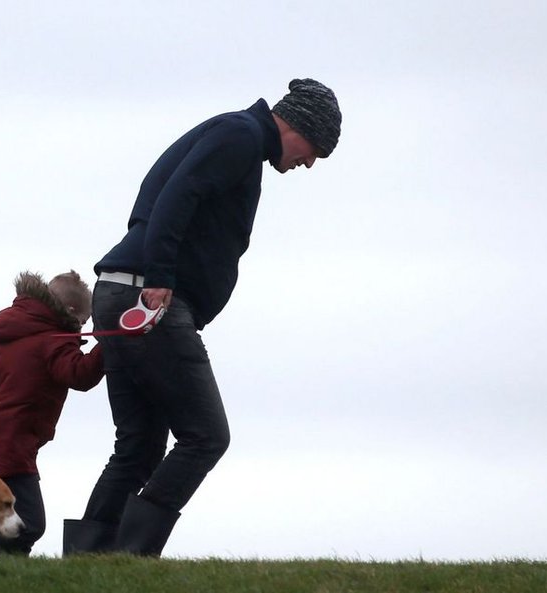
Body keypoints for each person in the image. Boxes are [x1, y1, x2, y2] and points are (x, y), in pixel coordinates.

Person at [62, 78, 342, 557]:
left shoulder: (237, 138)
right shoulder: (241, 137)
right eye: (313, 148)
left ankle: (88, 562)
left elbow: (155, 197)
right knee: (206, 436)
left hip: (124, 290)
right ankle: (128, 558)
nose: (308, 162)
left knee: (139, 446)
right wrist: (160, 277)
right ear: (294, 125)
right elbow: (177, 198)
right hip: (148, 297)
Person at [0, 270, 105, 555]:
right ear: (72, 313)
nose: (82, 330)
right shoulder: (54, 340)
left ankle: (8, 570)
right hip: (12, 444)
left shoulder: (9, 336)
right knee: (30, 524)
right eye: (83, 323)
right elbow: (78, 374)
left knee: (18, 526)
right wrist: (108, 347)